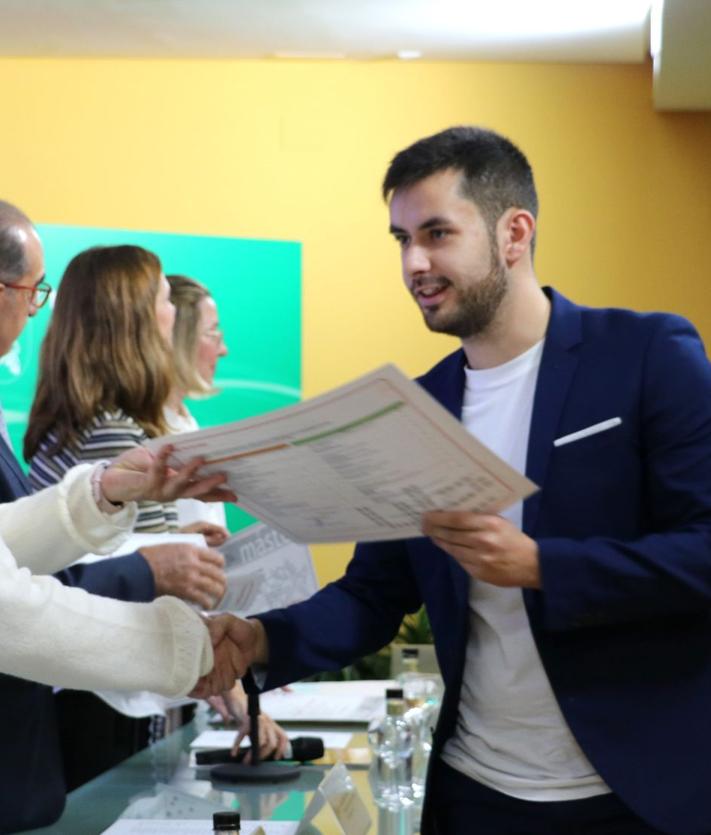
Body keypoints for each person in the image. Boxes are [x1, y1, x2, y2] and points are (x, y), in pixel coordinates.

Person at [223, 127, 711, 835]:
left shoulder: (645, 354)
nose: (413, 262)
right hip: (475, 791)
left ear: (514, 233)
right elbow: (372, 594)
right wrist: (256, 638)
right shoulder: (412, 408)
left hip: (635, 791)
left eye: (437, 233)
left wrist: (542, 566)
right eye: (400, 238)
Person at [167, 273, 289, 761]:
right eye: (213, 333)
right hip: (137, 697)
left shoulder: (182, 423)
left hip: (181, 687)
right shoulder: (142, 437)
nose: (224, 350)